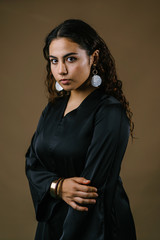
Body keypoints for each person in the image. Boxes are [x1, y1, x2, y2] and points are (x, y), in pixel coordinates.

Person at [25, 19, 137, 240]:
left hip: (96, 225)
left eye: (71, 59)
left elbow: (91, 189)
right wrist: (58, 186)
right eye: (54, 61)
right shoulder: (53, 109)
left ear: (93, 57)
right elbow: (32, 163)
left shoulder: (109, 112)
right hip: (53, 222)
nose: (61, 70)